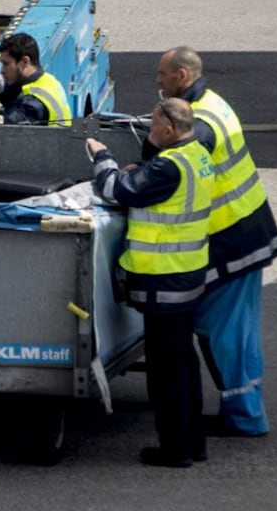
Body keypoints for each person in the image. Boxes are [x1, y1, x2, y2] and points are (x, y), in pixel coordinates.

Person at [155, 46, 277, 437]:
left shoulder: (202, 124)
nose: (157, 81)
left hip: (235, 239)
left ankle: (246, 417)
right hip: (242, 231)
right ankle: (242, 410)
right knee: (225, 328)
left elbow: (179, 168)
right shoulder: (211, 103)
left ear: (181, 75)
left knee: (227, 331)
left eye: (162, 74)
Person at [87, 98, 213, 468]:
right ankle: (194, 443)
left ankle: (174, 450)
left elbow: (117, 190)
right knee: (185, 363)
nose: (148, 132)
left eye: (153, 126)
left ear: (170, 130)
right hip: (187, 275)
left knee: (166, 371)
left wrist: (102, 156)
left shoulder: (169, 167)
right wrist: (142, 168)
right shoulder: (196, 155)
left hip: (164, 280)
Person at [0, 32, 72, 126]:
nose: (2, 71)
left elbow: (6, 129)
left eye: (6, 64)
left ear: (25, 61)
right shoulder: (48, 80)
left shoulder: (32, 104)